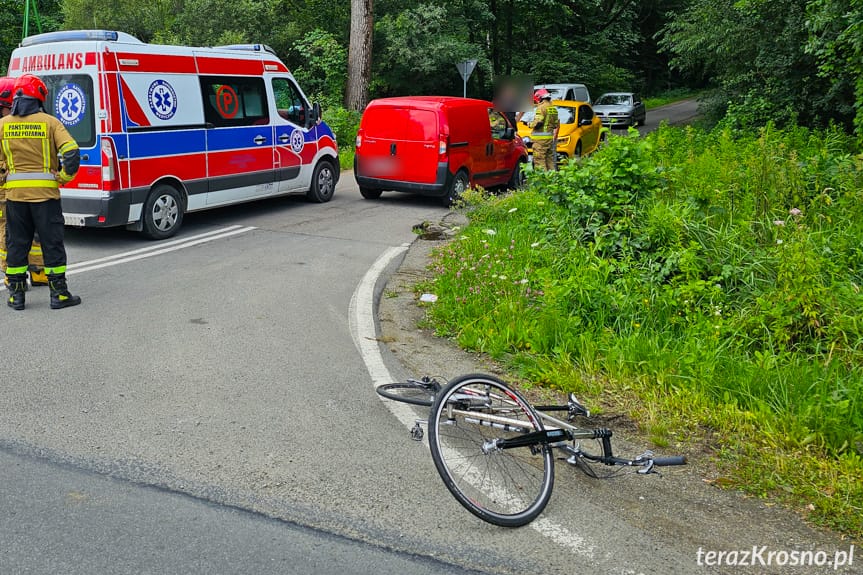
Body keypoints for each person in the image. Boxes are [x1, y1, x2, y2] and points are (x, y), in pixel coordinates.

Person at [0, 74, 81, 310]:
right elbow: (72, 153)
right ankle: (59, 295)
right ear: (39, 96)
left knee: (16, 245)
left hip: (15, 198)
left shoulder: (3, 125)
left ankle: (16, 296)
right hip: (46, 198)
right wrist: (64, 177)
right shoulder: (50, 122)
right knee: (51, 244)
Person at [0, 76, 48, 290]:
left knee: (33, 227)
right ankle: (12, 274)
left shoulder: (11, 124)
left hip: (20, 189)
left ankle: (37, 271)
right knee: (9, 232)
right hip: (5, 190)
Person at [529, 88, 559, 172]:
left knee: (539, 161)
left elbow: (538, 122)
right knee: (549, 161)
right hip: (549, 139)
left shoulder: (541, 107)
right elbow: (555, 124)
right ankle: (553, 180)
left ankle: (543, 181)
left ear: (540, 97)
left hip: (540, 141)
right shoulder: (553, 108)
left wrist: (529, 124)